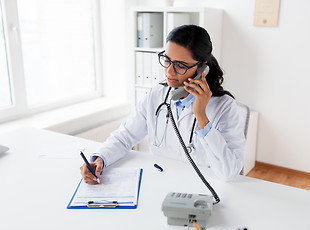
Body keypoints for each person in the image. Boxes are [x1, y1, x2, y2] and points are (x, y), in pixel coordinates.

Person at [80, 25, 245, 183]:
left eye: (180, 65)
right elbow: (125, 136)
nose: (169, 71)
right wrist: (100, 158)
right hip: (160, 182)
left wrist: (201, 115)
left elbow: (229, 172)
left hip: (202, 187)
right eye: (167, 60)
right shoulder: (155, 95)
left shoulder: (224, 106)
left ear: (202, 68)